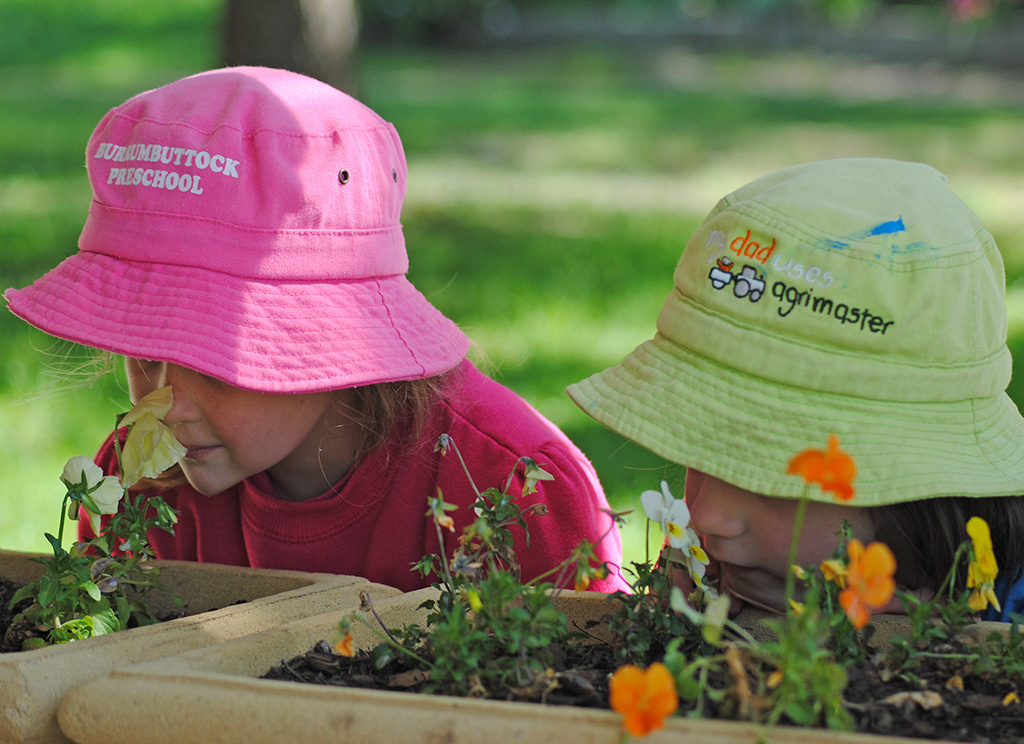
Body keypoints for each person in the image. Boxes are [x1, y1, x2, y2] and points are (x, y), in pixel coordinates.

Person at [5, 66, 625, 593]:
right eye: (145, 349)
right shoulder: (139, 483)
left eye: (210, 355)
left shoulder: (512, 495)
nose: (165, 405)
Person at [567, 158, 1024, 620]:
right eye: (700, 450)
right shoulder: (715, 565)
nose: (706, 517)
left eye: (773, 471)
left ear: (927, 504)